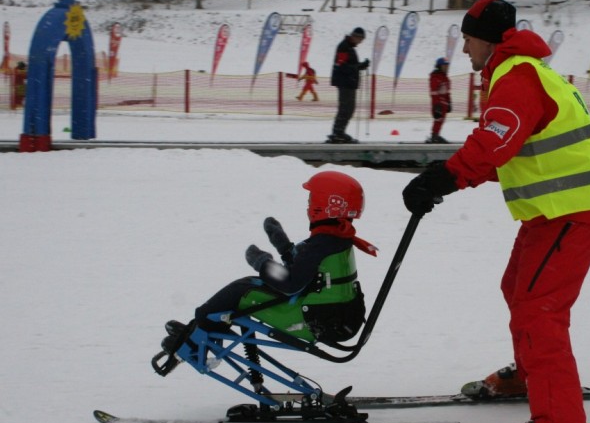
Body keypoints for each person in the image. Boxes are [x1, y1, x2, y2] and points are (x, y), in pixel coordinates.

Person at [402, 0, 590, 423]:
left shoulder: (516, 74)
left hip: (568, 211)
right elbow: (516, 149)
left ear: (488, 38)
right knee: (517, 288)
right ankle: (529, 372)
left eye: (467, 39)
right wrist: (456, 176)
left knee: (539, 309)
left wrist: (445, 176)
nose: (464, 50)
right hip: (553, 210)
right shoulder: (522, 71)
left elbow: (495, 140)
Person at [161, 171, 377, 360]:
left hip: (314, 320)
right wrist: (283, 245)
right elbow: (308, 271)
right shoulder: (336, 239)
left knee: (241, 290)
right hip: (335, 317)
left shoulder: (322, 243)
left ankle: (195, 338)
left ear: (326, 205)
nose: (308, 205)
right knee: (249, 285)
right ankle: (198, 330)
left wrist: (262, 262)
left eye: (312, 199)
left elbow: (291, 282)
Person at [328, 27, 369, 144]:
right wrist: (358, 66)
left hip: (348, 82)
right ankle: (337, 133)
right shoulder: (344, 47)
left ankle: (339, 132)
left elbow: (349, 65)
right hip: (345, 83)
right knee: (346, 108)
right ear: (355, 37)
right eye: (360, 39)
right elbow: (341, 66)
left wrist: (361, 66)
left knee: (349, 109)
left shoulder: (349, 47)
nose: (360, 42)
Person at [427, 57, 452, 143]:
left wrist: (449, 102)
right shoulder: (436, 77)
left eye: (447, 66)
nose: (446, 68)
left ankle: (436, 134)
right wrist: (436, 105)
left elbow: (447, 92)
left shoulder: (445, 78)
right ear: (439, 66)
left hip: (444, 103)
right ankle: (434, 135)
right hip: (438, 103)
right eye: (444, 66)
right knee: (438, 120)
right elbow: (434, 92)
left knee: (441, 120)